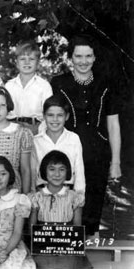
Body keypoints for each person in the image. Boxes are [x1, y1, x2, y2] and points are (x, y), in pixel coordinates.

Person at [51, 34, 121, 238]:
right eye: (78, 56)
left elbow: (113, 124)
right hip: (65, 149)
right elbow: (52, 118)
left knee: (93, 200)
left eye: (88, 56)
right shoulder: (58, 83)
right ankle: (63, 245)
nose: (83, 61)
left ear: (94, 58)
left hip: (97, 150)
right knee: (63, 198)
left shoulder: (106, 84)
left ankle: (91, 245)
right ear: (70, 58)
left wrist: (115, 162)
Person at [29, 150, 84, 269]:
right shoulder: (37, 198)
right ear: (44, 171)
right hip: (42, 247)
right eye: (52, 169)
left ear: (68, 172)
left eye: (62, 169)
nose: (57, 174)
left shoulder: (74, 197)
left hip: (67, 247)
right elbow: (32, 227)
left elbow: (77, 227)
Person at [31, 95, 85, 194]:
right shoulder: (36, 141)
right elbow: (33, 173)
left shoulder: (74, 139)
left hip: (67, 194)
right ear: (43, 116)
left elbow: (79, 172)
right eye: (50, 115)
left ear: (67, 116)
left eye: (60, 115)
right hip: (42, 193)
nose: (55, 119)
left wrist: (79, 197)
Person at [5, 40, 53, 135]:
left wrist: (39, 130)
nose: (27, 62)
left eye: (31, 59)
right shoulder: (8, 86)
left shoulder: (44, 86)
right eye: (22, 59)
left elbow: (50, 113)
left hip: (35, 130)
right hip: (11, 130)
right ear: (17, 63)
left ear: (38, 63)